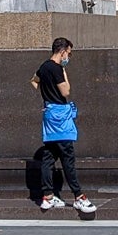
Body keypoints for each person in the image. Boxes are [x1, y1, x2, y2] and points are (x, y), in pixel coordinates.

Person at [31, 37, 95, 212]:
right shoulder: (57, 68)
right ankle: (78, 196)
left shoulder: (43, 67)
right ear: (62, 51)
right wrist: (64, 73)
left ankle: (48, 196)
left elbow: (34, 81)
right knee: (67, 156)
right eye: (69, 53)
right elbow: (66, 91)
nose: (69, 57)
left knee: (49, 156)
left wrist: (47, 97)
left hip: (49, 114)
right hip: (61, 117)